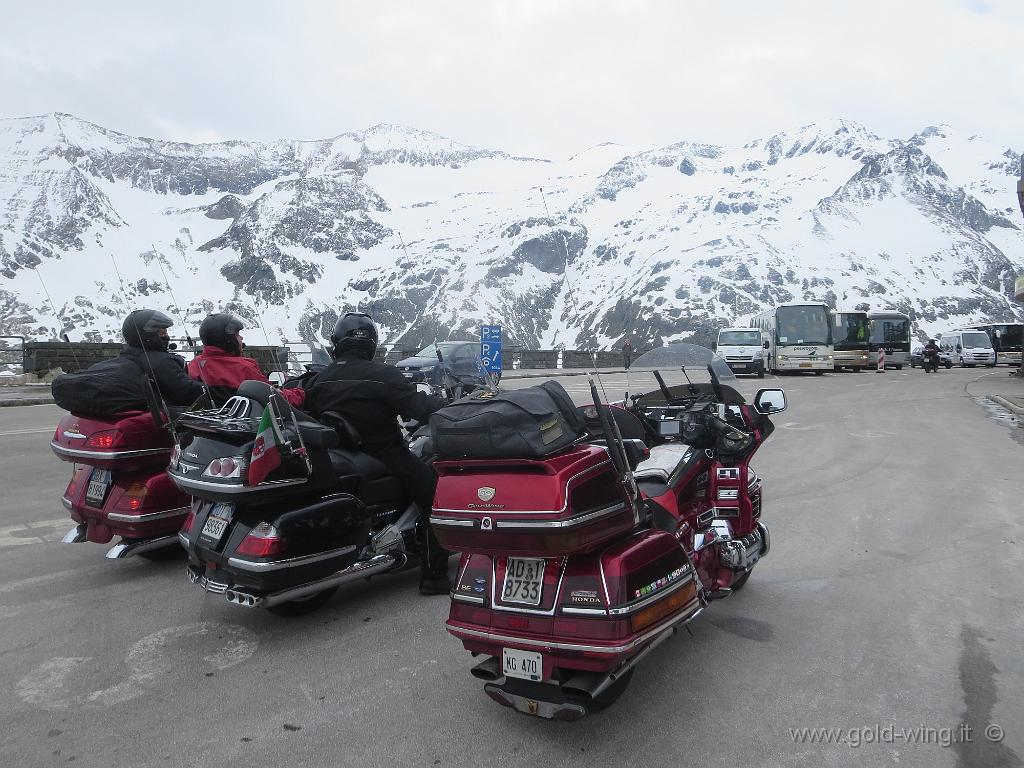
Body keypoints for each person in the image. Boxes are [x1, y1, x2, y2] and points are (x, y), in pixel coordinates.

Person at [302, 313, 451, 595]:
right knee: (438, 499)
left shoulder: (321, 380)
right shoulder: (383, 376)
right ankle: (434, 578)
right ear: (371, 343)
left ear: (337, 343)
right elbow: (419, 408)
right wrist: (449, 404)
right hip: (386, 456)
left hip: (341, 456)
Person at [187, 313, 305, 407]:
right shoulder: (243, 368)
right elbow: (274, 398)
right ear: (227, 339)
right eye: (237, 334)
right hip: (247, 427)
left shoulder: (194, 365)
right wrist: (301, 393)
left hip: (215, 422)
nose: (241, 337)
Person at [120, 309, 206, 406]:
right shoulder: (161, 362)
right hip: (166, 416)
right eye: (163, 333)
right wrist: (213, 390)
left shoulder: (125, 358)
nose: (167, 337)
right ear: (147, 336)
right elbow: (188, 391)